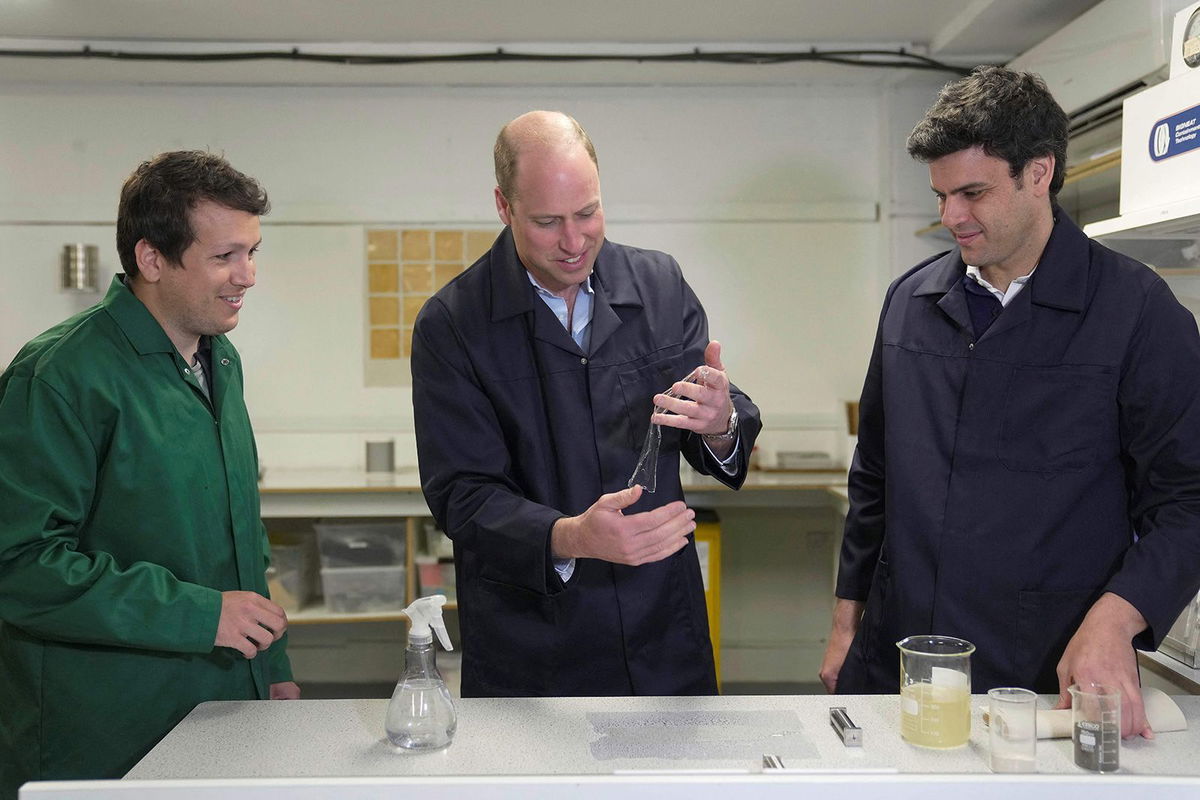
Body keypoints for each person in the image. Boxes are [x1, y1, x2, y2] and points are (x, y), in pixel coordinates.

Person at [819, 66, 1200, 738]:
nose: (951, 216)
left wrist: (1118, 617)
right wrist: (846, 621)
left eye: (972, 192)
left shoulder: (1137, 314)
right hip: (899, 658)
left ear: (1039, 173)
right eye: (940, 195)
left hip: (1043, 674)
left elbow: (1188, 500)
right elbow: (874, 477)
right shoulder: (910, 304)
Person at [411, 110, 761, 697]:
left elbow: (715, 418)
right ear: (504, 206)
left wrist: (721, 422)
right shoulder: (453, 325)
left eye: (587, 214)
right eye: (547, 222)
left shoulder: (659, 285)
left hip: (660, 629)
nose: (574, 243)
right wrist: (571, 536)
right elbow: (462, 495)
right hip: (533, 638)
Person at [0, 151, 298, 797]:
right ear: (152, 258)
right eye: (224, 257)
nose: (247, 275)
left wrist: (269, 665)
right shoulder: (61, 375)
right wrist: (197, 616)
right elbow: (19, 564)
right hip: (105, 728)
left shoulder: (218, 360)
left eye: (252, 251)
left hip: (219, 704)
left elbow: (237, 529)